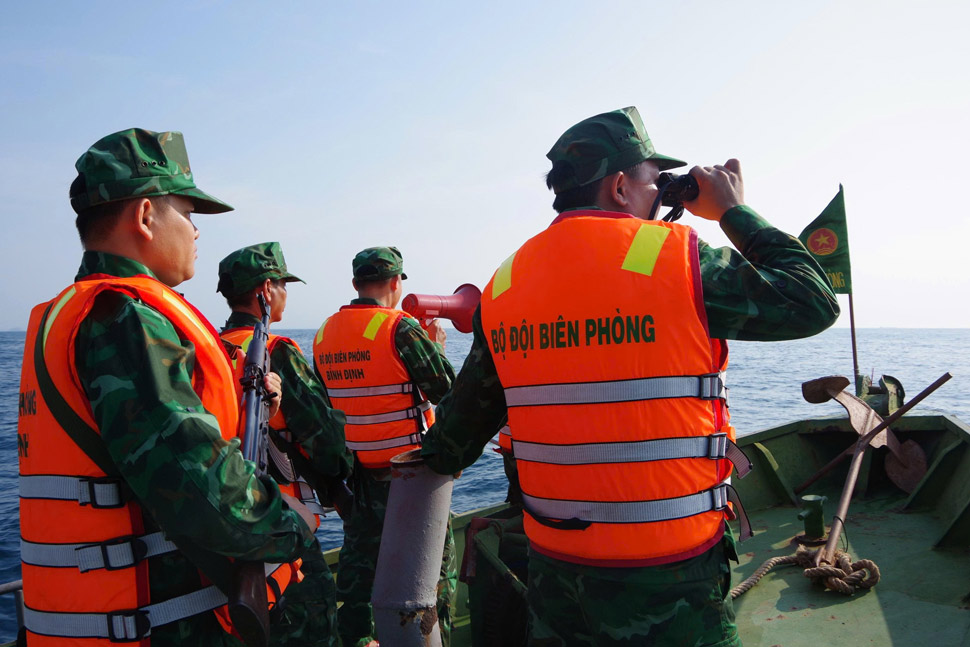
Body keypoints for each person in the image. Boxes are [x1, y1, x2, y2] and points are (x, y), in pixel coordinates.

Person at [420, 107, 841, 646]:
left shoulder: (506, 281)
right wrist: (733, 211)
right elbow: (812, 301)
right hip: (669, 573)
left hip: (555, 568)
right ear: (620, 187)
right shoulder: (673, 258)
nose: (659, 195)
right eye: (651, 181)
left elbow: (455, 437)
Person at [16, 128, 318, 647]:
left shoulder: (62, 316)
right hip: (158, 628)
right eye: (189, 213)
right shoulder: (128, 318)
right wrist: (297, 526)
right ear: (146, 216)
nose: (197, 231)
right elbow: (196, 485)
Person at [312, 247, 458, 647]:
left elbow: (326, 410)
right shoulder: (399, 328)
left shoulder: (324, 334)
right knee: (430, 582)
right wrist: (438, 347)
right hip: (411, 482)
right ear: (396, 283)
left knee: (360, 583)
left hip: (360, 485)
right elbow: (448, 391)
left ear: (356, 283)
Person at [217, 242, 355, 646]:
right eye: (282, 284)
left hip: (233, 526)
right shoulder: (279, 353)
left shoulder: (210, 349)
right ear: (265, 289)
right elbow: (330, 447)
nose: (286, 294)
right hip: (285, 530)